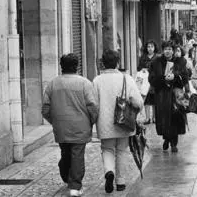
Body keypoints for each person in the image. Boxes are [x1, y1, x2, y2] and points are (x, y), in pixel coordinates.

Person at [42, 54, 98, 197]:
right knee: (77, 155)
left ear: (61, 66)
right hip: (81, 126)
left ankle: (67, 177)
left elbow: (45, 109)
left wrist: (55, 121)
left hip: (60, 126)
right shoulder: (85, 83)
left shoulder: (52, 84)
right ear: (77, 66)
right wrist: (91, 121)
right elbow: (92, 106)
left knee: (65, 153)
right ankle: (74, 186)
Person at [93, 50, 143, 193]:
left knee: (107, 149)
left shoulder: (97, 80)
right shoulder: (126, 79)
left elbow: (93, 104)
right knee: (121, 151)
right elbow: (138, 102)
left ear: (103, 63)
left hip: (104, 122)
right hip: (124, 123)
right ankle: (120, 182)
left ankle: (109, 172)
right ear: (118, 62)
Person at [148, 41, 189, 152]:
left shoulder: (180, 62)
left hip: (175, 95)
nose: (168, 51)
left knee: (175, 117)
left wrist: (175, 77)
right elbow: (151, 78)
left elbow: (185, 77)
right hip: (161, 95)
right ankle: (166, 138)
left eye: (170, 49)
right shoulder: (156, 62)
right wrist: (163, 79)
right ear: (162, 50)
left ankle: (174, 143)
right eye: (166, 49)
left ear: (173, 50)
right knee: (164, 119)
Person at [137, 40, 159, 124]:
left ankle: (154, 118)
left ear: (154, 48)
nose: (150, 48)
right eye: (148, 47)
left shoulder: (157, 57)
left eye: (152, 47)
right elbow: (139, 68)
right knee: (146, 100)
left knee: (154, 100)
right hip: (145, 82)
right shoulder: (143, 57)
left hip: (154, 81)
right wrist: (142, 69)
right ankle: (147, 118)